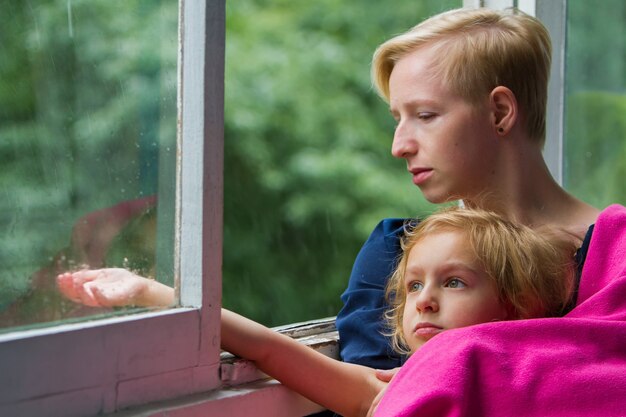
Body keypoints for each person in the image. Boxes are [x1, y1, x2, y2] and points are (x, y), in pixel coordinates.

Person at [335, 6, 600, 372]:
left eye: (425, 116)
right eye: (398, 119)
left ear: (500, 112)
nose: (399, 146)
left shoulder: (613, 257)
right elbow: (375, 397)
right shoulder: (397, 253)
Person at [220, 207, 576, 417]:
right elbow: (268, 348)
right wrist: (176, 299)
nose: (424, 301)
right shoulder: (391, 385)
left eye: (454, 282)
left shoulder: (542, 369)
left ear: (518, 302)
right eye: (414, 285)